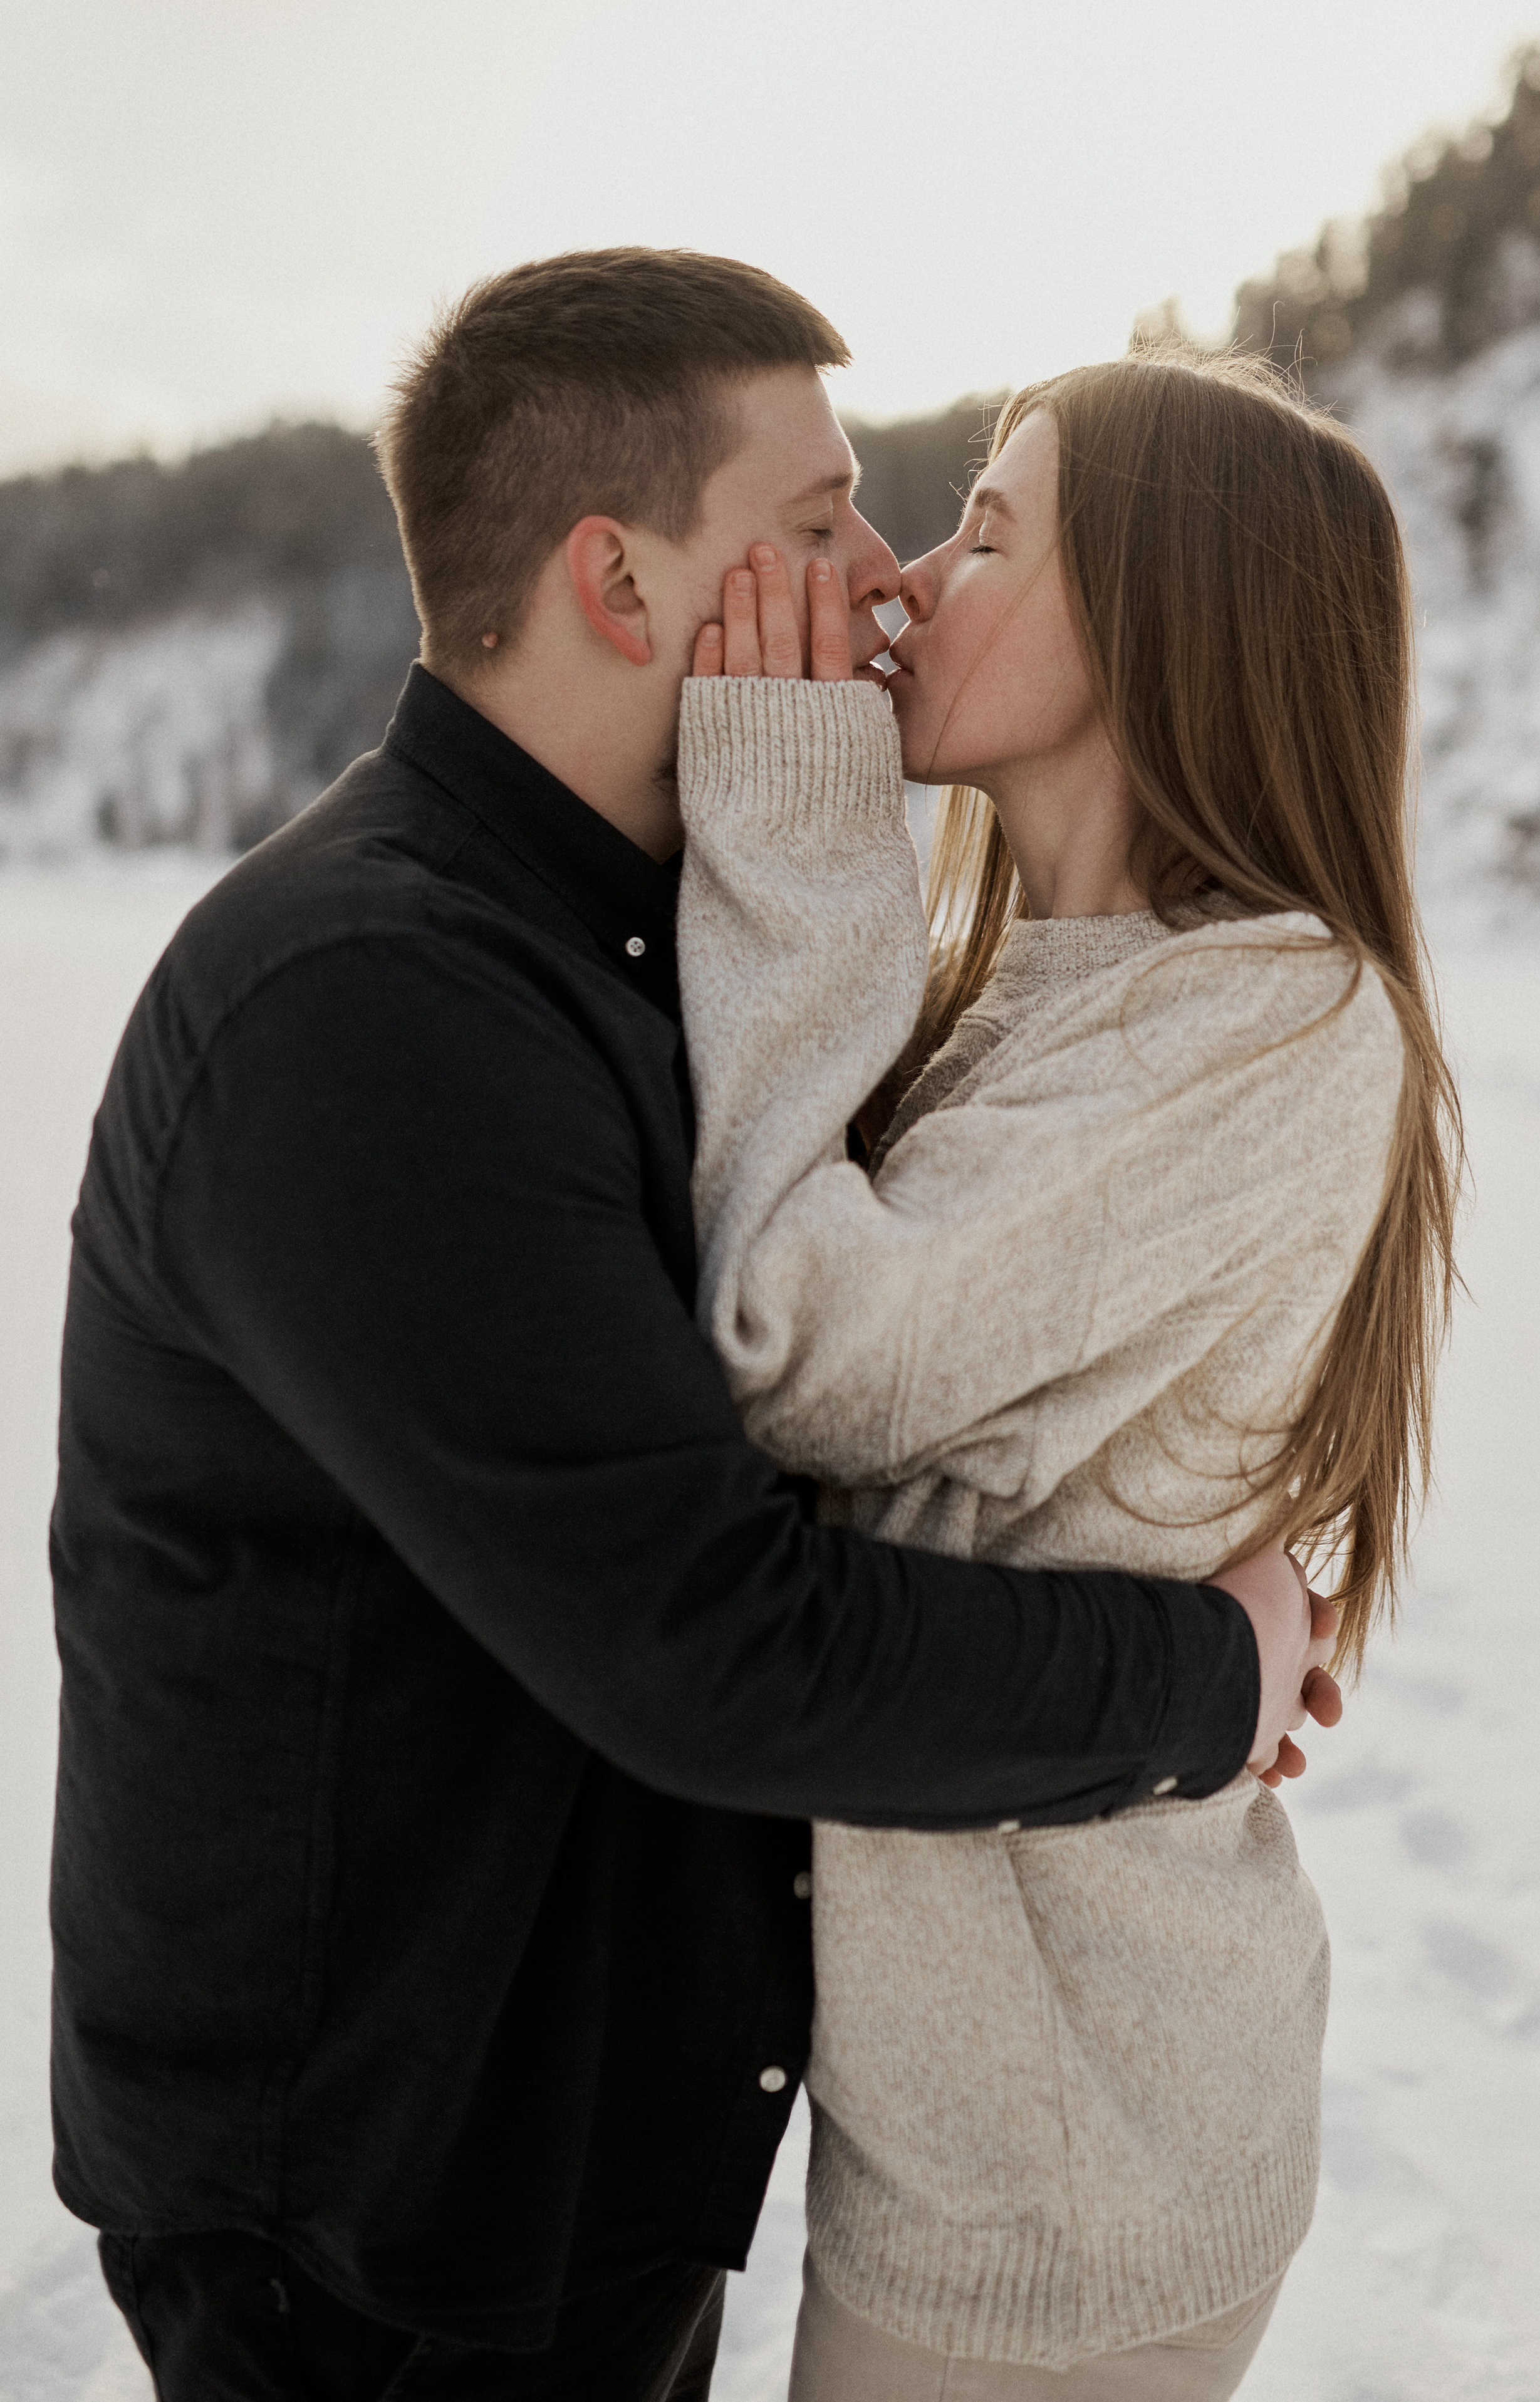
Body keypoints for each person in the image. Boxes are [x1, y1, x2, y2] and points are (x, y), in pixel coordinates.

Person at [48, 256, 1331, 2402]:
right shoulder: (369, 1005)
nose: (883, 582)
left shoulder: (635, 949)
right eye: (819, 526)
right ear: (624, 590)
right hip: (383, 2226)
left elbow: (862, 1415)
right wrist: (1198, 1671)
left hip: (578, 2159)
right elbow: (713, 1634)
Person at [675, 348, 1462, 2398]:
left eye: (994, 531)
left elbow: (799, 1354)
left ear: (1166, 622)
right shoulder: (1047, 991)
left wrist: (788, 813)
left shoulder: (1280, 1022)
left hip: (1076, 2166)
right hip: (990, 2114)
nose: (915, 580)